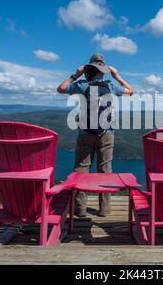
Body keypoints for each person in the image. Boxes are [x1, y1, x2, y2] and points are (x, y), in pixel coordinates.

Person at [57, 53, 134, 217]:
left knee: (81, 170)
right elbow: (131, 91)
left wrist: (75, 75)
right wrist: (117, 75)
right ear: (104, 70)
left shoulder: (82, 84)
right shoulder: (111, 85)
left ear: (89, 68)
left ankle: (80, 209)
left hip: (85, 132)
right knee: (105, 170)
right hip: (107, 133)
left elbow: (61, 88)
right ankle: (104, 209)